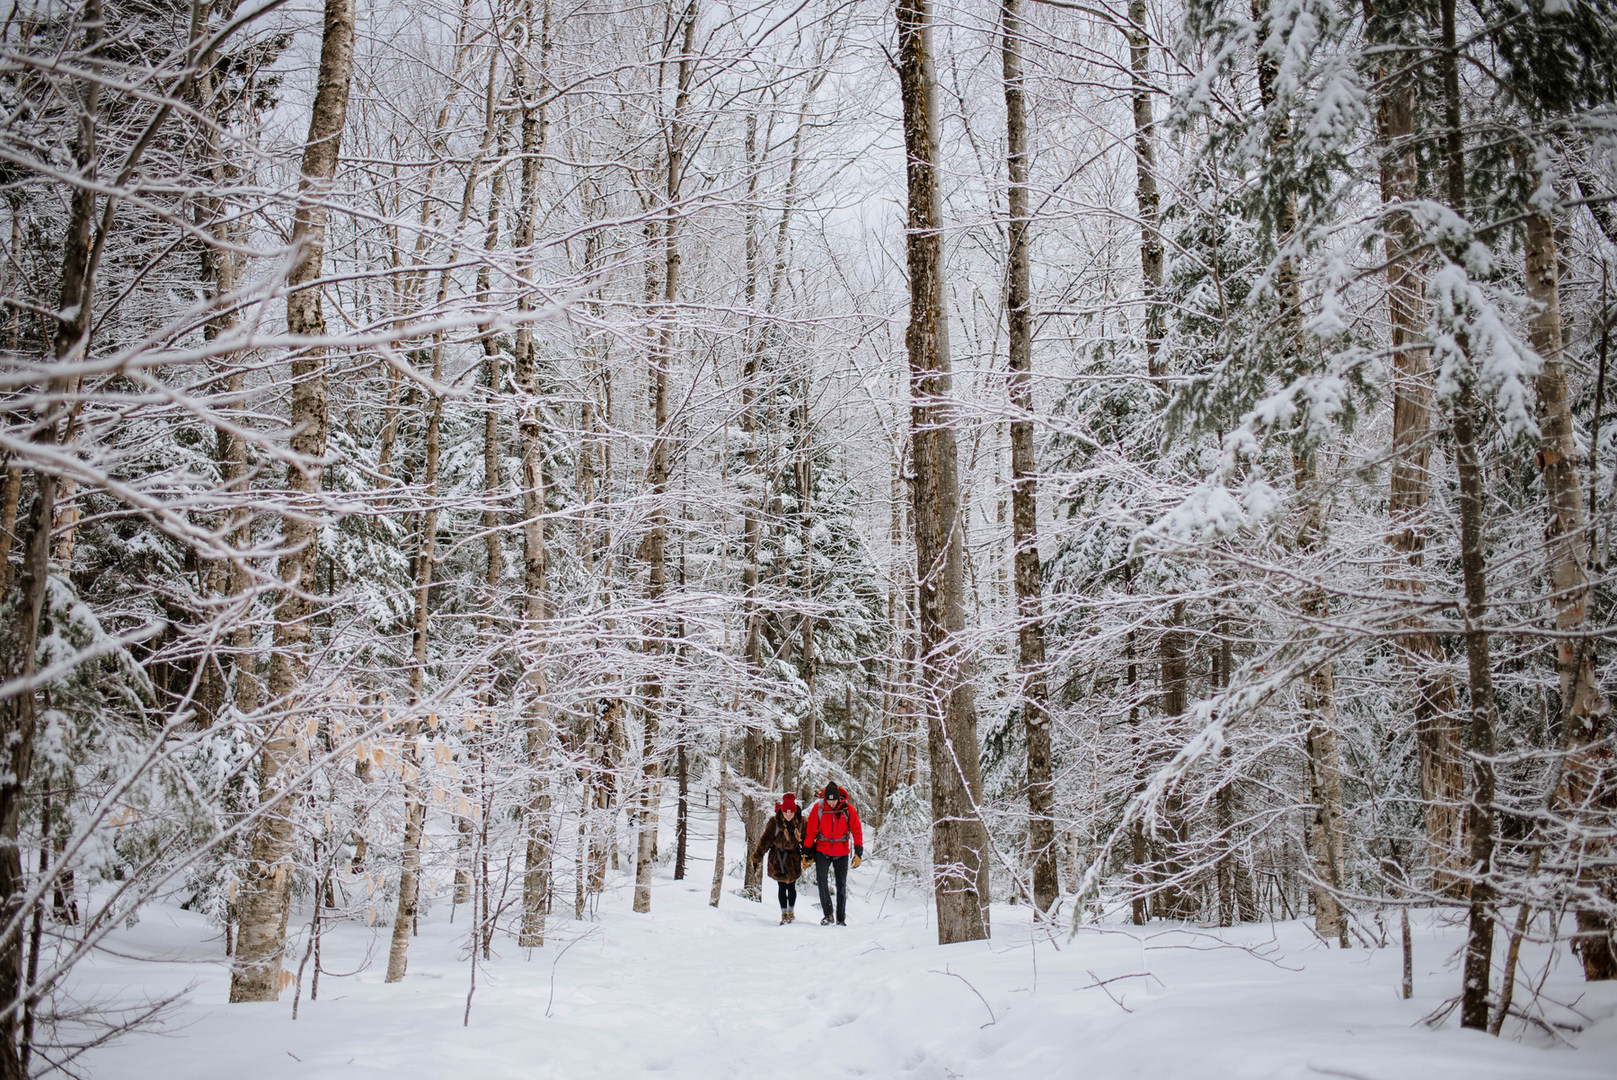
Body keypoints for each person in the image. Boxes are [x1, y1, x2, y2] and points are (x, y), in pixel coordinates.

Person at [804, 782, 863, 926]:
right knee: (821, 880)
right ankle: (828, 915)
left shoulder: (847, 809)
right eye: (828, 800)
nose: (831, 803)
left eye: (834, 800)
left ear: (839, 798)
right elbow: (811, 830)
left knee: (841, 885)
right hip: (822, 849)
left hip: (841, 851)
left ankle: (841, 919)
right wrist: (806, 852)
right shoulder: (818, 808)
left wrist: (858, 851)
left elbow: (856, 829)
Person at [749, 792, 806, 924]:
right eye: (786, 813)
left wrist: (810, 855)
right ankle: (784, 914)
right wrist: (756, 858)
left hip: (793, 858)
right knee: (781, 887)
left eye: (791, 813)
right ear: (782, 811)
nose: (788, 816)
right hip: (778, 859)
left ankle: (791, 913)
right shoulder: (774, 822)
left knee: (792, 886)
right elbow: (765, 841)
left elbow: (807, 840)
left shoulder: (801, 822)